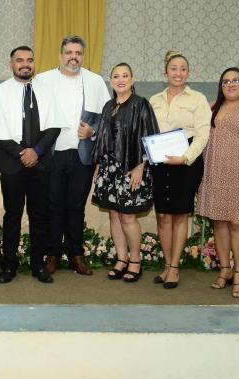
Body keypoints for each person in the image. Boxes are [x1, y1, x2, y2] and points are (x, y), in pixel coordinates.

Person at [0, 46, 65, 283]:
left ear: (34, 63)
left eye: (29, 60)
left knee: (39, 216)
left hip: (41, 163)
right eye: (19, 60)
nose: (25, 64)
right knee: (12, 216)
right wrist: (21, 153)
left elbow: (55, 126)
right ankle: (9, 266)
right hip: (12, 164)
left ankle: (38, 265)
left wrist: (36, 151)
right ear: (11, 64)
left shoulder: (48, 91)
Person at [37, 35, 110, 276]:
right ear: (60, 55)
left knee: (76, 206)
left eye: (78, 53)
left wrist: (93, 131)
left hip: (82, 154)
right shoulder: (43, 80)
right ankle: (53, 255)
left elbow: (107, 118)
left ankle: (76, 255)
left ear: (83, 56)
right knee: (54, 205)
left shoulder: (95, 81)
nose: (73, 57)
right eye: (69, 52)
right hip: (53, 154)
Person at [92, 63, 159, 282]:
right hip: (109, 170)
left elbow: (150, 137)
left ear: (132, 80)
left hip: (131, 169)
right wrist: (98, 166)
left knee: (128, 217)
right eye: (116, 76)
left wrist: (141, 166)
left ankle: (135, 261)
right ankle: (121, 259)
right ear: (111, 81)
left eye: (125, 75)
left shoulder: (141, 104)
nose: (121, 79)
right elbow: (102, 138)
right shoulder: (108, 106)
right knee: (114, 214)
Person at [149, 50, 211, 289]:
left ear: (188, 73)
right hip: (160, 162)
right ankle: (167, 265)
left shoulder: (197, 99)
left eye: (183, 68)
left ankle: (175, 268)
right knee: (163, 215)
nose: (178, 72)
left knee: (180, 215)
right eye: (174, 68)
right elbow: (148, 132)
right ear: (166, 72)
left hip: (186, 163)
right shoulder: (154, 99)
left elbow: (203, 134)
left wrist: (185, 158)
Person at [198, 68, 239, 298]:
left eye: (236, 80)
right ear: (220, 85)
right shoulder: (212, 107)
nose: (231, 84)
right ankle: (225, 270)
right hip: (214, 173)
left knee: (238, 223)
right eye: (226, 81)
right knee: (219, 223)